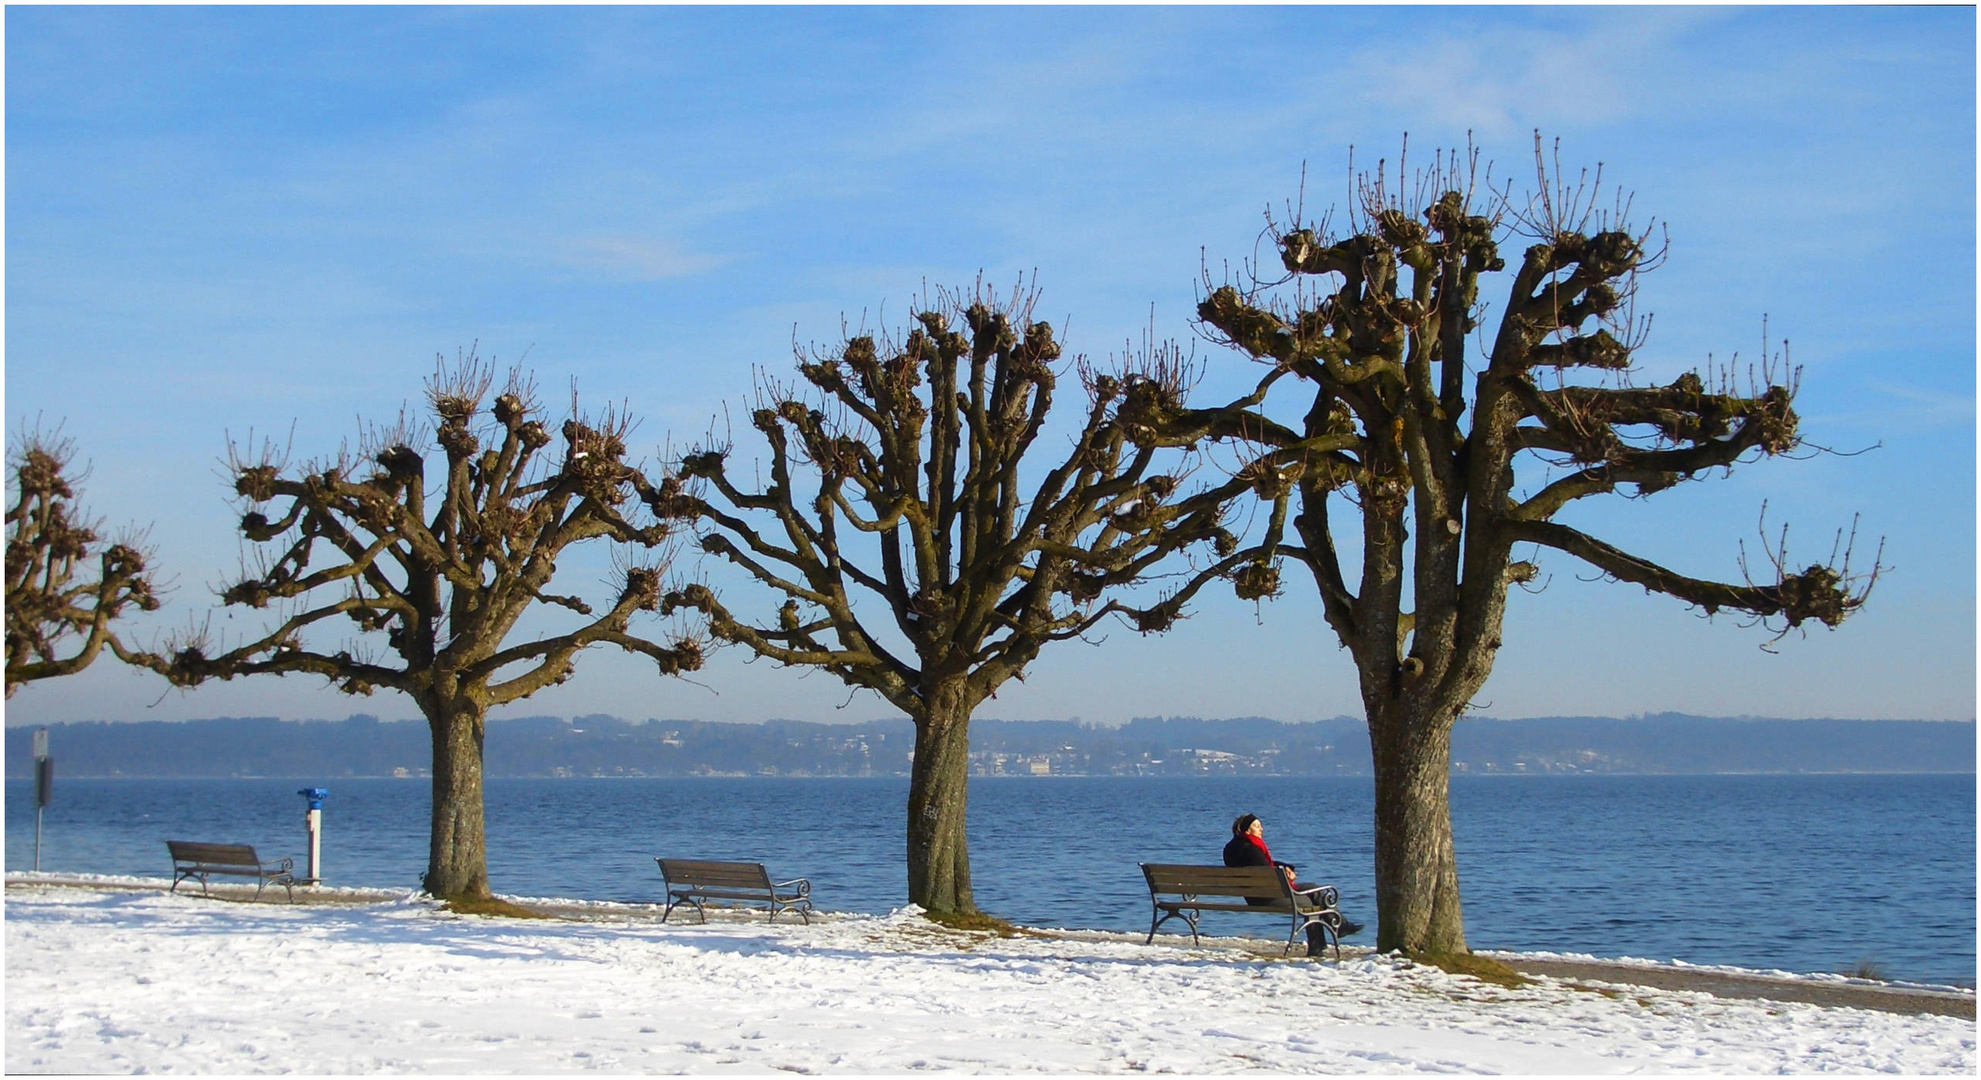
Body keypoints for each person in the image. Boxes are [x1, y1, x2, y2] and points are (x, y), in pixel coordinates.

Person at [1222, 813, 1362, 956]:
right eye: (1257, 826)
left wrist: (1285, 867)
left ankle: (1338, 928)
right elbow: (1270, 874)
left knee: (1312, 888)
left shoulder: (1232, 848)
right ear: (1247, 831)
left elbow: (1264, 867)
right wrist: (1285, 874)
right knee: (1312, 902)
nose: (1262, 829)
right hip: (1269, 897)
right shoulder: (1250, 848)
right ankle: (1322, 942)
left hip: (1255, 896)